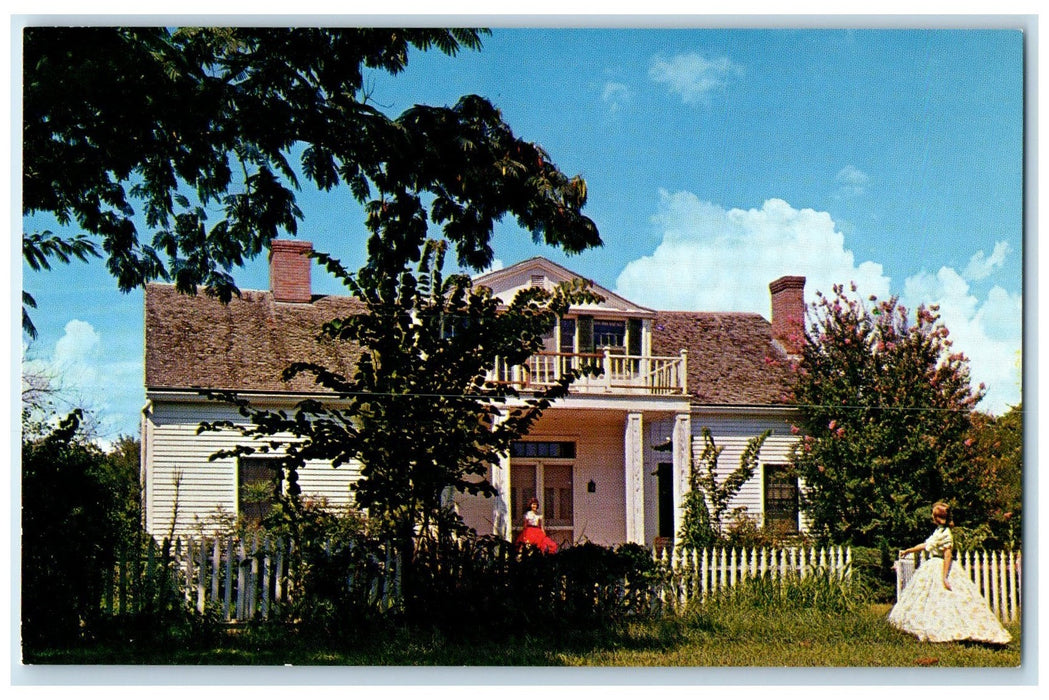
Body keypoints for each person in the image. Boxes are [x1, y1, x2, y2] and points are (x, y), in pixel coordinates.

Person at [887, 501, 1011, 644]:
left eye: (934, 515)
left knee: (946, 599)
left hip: (940, 565)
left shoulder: (946, 534)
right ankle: (924, 626)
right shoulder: (938, 531)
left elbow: (947, 555)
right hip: (932, 565)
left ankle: (951, 630)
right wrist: (909, 550)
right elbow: (927, 545)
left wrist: (945, 576)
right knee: (927, 599)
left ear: (937, 518)